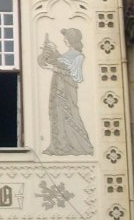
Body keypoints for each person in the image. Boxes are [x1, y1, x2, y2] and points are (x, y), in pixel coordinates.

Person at [38, 28, 93, 156]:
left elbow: (75, 75)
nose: (65, 40)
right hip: (57, 86)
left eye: (67, 38)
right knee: (56, 114)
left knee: (70, 114)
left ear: (72, 40)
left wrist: (54, 68)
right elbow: (57, 61)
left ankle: (79, 145)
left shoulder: (78, 56)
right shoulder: (66, 54)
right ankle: (59, 146)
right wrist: (53, 49)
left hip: (67, 89)